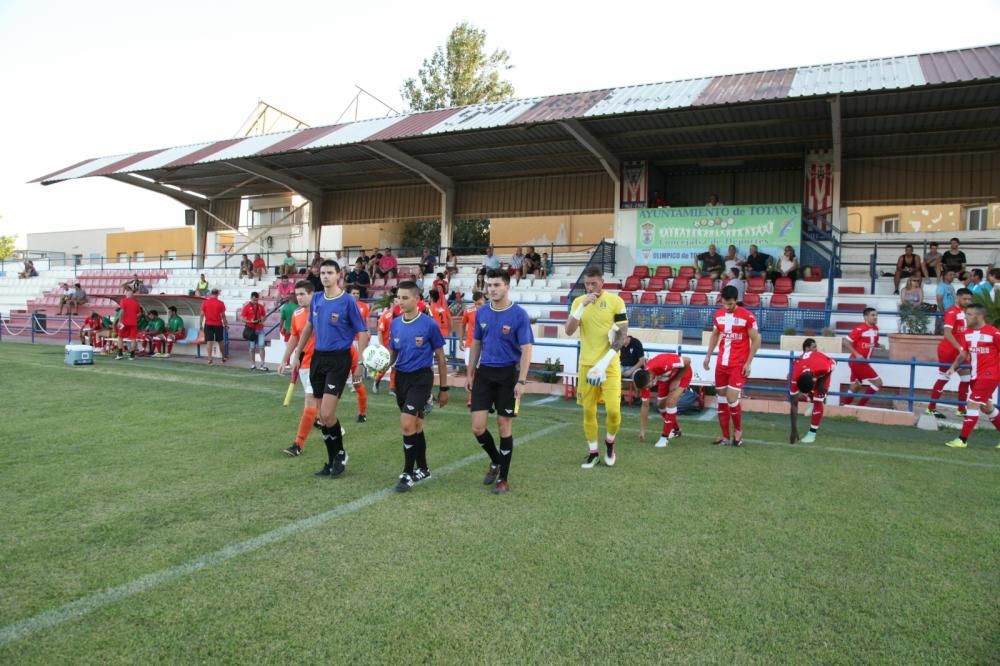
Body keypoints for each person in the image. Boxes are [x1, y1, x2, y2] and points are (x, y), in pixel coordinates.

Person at [290, 260, 370, 479]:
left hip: (339, 360)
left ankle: (341, 454)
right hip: (318, 358)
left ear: (338, 275)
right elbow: (309, 327)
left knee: (327, 413)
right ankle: (332, 459)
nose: (325, 276)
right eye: (323, 273)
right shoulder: (316, 299)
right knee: (321, 417)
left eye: (329, 273)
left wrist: (360, 362)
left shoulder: (347, 302)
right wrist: (298, 354)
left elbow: (363, 332)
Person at [466, 269, 533, 494]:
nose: (492, 289)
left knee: (504, 426)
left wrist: (521, 381)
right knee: (477, 427)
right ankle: (496, 460)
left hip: (508, 375)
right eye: (490, 285)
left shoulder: (519, 315)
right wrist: (470, 373)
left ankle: (502, 479)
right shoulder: (482, 313)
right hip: (485, 373)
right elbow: (476, 344)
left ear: (507, 286)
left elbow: (526, 350)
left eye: (497, 285)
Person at [386, 281, 450, 492]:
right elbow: (394, 353)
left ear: (417, 299)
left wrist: (443, 388)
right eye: (398, 297)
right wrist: (382, 365)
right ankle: (423, 468)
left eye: (405, 298)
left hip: (422, 379)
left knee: (406, 424)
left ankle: (407, 473)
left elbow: (441, 358)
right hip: (402, 379)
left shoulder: (429, 324)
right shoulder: (395, 323)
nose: (401, 302)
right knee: (415, 426)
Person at [565, 266, 629, 467]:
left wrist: (603, 363)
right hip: (586, 365)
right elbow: (568, 331)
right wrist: (581, 307)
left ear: (602, 281)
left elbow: (622, 336)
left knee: (613, 411)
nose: (590, 287)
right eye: (587, 284)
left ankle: (610, 442)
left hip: (609, 366)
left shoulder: (615, 301)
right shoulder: (578, 302)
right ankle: (593, 452)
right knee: (588, 411)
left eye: (594, 283)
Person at [703, 285, 761, 446]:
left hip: (738, 364)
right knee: (721, 397)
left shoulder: (747, 316)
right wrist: (708, 356)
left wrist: (749, 363)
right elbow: (715, 335)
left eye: (730, 304)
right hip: (722, 363)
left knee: (731, 397)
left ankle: (738, 432)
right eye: (724, 303)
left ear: (736, 300)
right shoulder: (719, 315)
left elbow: (756, 339)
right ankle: (725, 435)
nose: (727, 307)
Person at [944, 303, 1000, 449]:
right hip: (976, 375)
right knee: (987, 408)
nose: (965, 317)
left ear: (979, 316)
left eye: (969, 314)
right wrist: (953, 367)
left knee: (972, 404)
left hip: (990, 375)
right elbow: (964, 353)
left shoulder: (994, 333)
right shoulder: (966, 333)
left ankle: (962, 439)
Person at [279, 280, 319, 457]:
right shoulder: (297, 313)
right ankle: (332, 425)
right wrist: (285, 359)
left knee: (311, 402)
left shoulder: (322, 310)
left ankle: (298, 444)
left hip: (322, 364)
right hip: (304, 364)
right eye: (297, 294)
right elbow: (294, 338)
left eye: (303, 294)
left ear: (312, 294)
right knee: (318, 405)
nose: (299, 297)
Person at [927, 288, 973, 418]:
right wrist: (959, 347)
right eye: (965, 299)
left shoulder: (966, 312)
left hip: (961, 352)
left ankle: (961, 408)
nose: (967, 301)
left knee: (966, 378)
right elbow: (947, 333)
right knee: (944, 377)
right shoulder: (952, 312)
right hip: (949, 351)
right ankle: (931, 408)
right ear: (957, 298)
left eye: (969, 299)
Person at [632, 353, 691, 447]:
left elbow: (687, 360)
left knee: (671, 402)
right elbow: (645, 405)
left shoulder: (662, 364)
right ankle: (676, 430)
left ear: (651, 377)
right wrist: (642, 431)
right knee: (660, 405)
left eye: (649, 385)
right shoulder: (644, 380)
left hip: (683, 373)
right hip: (666, 378)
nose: (649, 388)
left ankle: (664, 438)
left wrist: (677, 379)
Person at [788, 339, 837, 444]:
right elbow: (793, 403)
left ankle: (812, 433)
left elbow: (834, 363)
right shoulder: (795, 377)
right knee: (799, 398)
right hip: (808, 370)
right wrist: (793, 428)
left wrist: (821, 383)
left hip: (823, 375)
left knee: (818, 400)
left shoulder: (822, 366)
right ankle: (810, 399)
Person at [841, 307, 882, 407]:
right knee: (878, 383)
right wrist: (857, 354)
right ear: (865, 317)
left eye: (876, 315)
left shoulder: (876, 329)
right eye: (873, 315)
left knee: (855, 386)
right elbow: (845, 342)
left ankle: (844, 406)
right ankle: (861, 406)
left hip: (862, 362)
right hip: (857, 362)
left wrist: (878, 345)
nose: (875, 317)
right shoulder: (859, 329)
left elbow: (874, 342)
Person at [459, 290, 486, 407]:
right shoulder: (468, 311)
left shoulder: (489, 311)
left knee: (483, 372)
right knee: (470, 372)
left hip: (485, 345)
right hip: (470, 345)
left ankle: (482, 397)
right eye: (477, 303)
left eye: (480, 303)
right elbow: (462, 324)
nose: (478, 305)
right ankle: (470, 398)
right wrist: (461, 340)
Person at [348, 287, 371, 422]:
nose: (356, 295)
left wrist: (367, 331)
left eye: (357, 293)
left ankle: (362, 413)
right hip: (347, 343)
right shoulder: (345, 305)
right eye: (353, 293)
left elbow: (365, 323)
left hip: (357, 341)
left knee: (357, 380)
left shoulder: (364, 306)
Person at [199, 288, 228, 365]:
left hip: (208, 324)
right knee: (220, 340)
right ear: (218, 294)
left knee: (209, 341)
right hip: (218, 324)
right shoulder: (220, 303)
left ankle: (209, 359)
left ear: (211, 293)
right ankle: (223, 357)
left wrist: (200, 324)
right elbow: (223, 316)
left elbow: (202, 314)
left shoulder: (205, 302)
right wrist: (226, 324)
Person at [240, 291, 268, 371]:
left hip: (260, 328)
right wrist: (250, 321)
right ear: (251, 298)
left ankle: (262, 364)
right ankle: (253, 364)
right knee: (252, 347)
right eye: (254, 300)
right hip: (251, 329)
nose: (255, 301)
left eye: (256, 300)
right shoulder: (246, 307)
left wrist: (262, 319)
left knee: (261, 346)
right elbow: (242, 318)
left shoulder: (261, 306)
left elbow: (264, 316)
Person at [115, 288, 143, 360]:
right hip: (133, 323)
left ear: (126, 293)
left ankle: (120, 354)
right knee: (133, 339)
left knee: (120, 338)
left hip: (124, 323)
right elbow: (140, 313)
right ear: (132, 295)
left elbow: (122, 311)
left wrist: (119, 321)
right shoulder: (136, 303)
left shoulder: (123, 301)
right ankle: (132, 355)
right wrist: (134, 316)